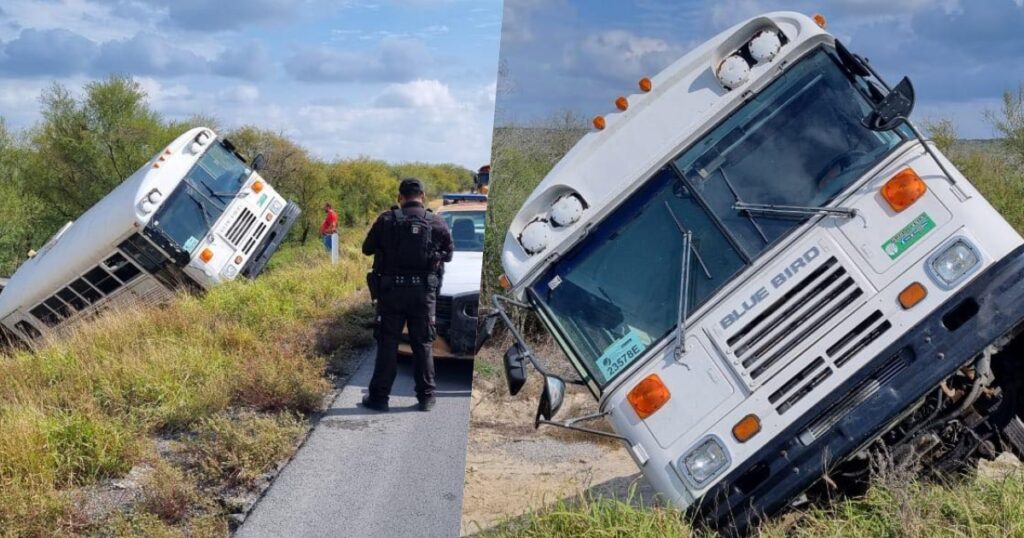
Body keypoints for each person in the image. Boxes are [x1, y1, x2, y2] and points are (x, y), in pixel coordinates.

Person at [361, 178, 453, 412]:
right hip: (423, 295)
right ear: (422, 196)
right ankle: (427, 398)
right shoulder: (437, 222)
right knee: (423, 344)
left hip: (391, 293)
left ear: (399, 197)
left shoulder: (386, 220)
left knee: (388, 343)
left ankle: (379, 399)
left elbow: (366, 248)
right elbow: (449, 255)